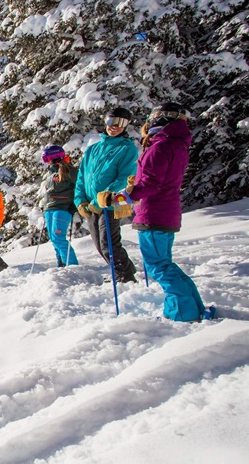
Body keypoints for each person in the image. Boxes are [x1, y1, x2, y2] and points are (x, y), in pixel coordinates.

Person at [105, 102, 206, 322]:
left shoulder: (160, 146)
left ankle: (182, 313)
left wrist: (117, 197)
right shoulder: (174, 144)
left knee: (159, 266)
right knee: (164, 264)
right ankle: (192, 308)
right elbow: (156, 179)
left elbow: (150, 184)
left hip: (154, 212)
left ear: (160, 119)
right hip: (164, 210)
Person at [73, 107, 139, 283]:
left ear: (126, 126)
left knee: (108, 243)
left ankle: (124, 277)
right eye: (111, 121)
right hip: (92, 204)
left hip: (112, 202)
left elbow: (125, 178)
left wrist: (99, 200)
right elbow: (82, 176)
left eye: (121, 123)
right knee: (99, 246)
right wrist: (80, 200)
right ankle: (126, 270)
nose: (115, 126)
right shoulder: (93, 149)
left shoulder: (127, 149)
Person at [41, 145, 79, 267]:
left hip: (63, 207)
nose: (45, 162)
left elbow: (80, 186)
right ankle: (61, 266)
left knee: (58, 238)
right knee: (54, 240)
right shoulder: (50, 173)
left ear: (53, 157)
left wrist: (75, 204)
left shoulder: (69, 170)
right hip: (50, 208)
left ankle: (72, 266)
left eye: (46, 159)